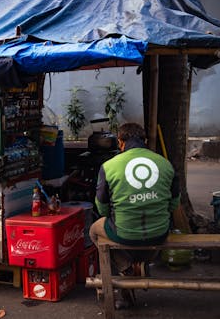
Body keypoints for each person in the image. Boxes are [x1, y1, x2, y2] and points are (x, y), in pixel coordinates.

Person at [89, 122, 180, 308]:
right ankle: (143, 265)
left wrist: (111, 216)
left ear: (121, 143)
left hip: (124, 232)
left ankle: (126, 267)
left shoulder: (108, 166)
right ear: (144, 141)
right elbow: (174, 203)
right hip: (160, 232)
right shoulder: (165, 163)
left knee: (94, 231)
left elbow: (102, 205)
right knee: (148, 234)